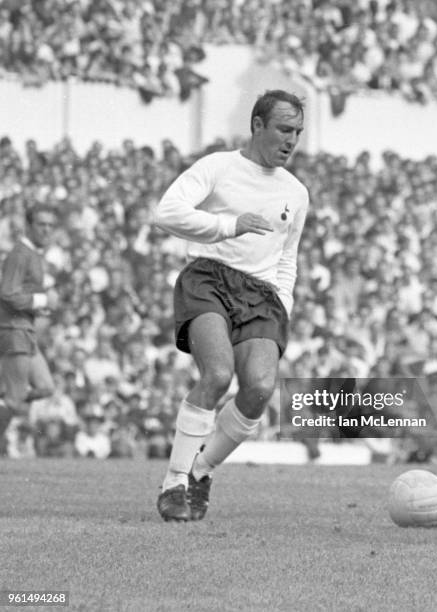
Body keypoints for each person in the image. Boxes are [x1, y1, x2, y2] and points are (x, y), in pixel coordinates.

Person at [152, 90, 308, 522]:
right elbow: (167, 212)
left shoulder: (296, 193)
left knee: (258, 389)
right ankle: (174, 483)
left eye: (297, 131)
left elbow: (288, 258)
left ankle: (202, 471)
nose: (291, 140)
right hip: (209, 276)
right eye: (283, 129)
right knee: (217, 374)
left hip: (261, 295)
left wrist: (284, 303)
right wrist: (227, 226)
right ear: (257, 125)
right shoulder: (218, 167)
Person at [0, 204, 58, 451]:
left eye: (50, 225)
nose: (47, 230)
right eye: (41, 224)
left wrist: (39, 305)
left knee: (45, 387)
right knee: (14, 400)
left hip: (26, 330)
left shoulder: (33, 254)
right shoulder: (20, 254)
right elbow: (7, 293)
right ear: (28, 226)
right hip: (14, 331)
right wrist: (42, 300)